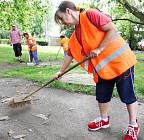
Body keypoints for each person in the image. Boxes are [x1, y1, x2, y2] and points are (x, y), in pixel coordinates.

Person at [54, 1, 139, 140]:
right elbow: (70, 54)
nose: (63, 23)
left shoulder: (90, 14)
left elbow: (112, 29)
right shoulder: (75, 36)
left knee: (127, 96)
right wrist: (61, 71)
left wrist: (99, 48)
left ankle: (133, 125)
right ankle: (104, 120)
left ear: (69, 11)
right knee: (102, 96)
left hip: (121, 62)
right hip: (103, 69)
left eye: (62, 18)